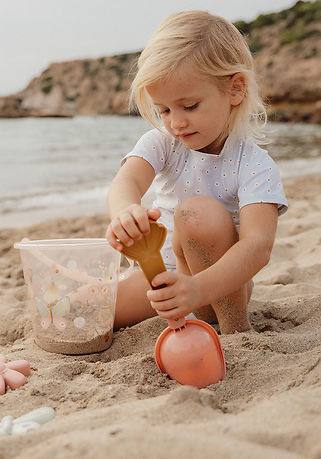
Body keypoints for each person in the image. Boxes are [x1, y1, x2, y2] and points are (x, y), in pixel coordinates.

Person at [106, 11, 288, 334]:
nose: (175, 123)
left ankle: (235, 330)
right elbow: (127, 181)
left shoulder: (254, 164)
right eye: (164, 110)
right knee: (94, 306)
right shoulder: (164, 143)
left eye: (189, 106)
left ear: (235, 90)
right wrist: (124, 212)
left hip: (219, 287)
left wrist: (199, 289)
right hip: (161, 278)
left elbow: (258, 245)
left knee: (194, 213)